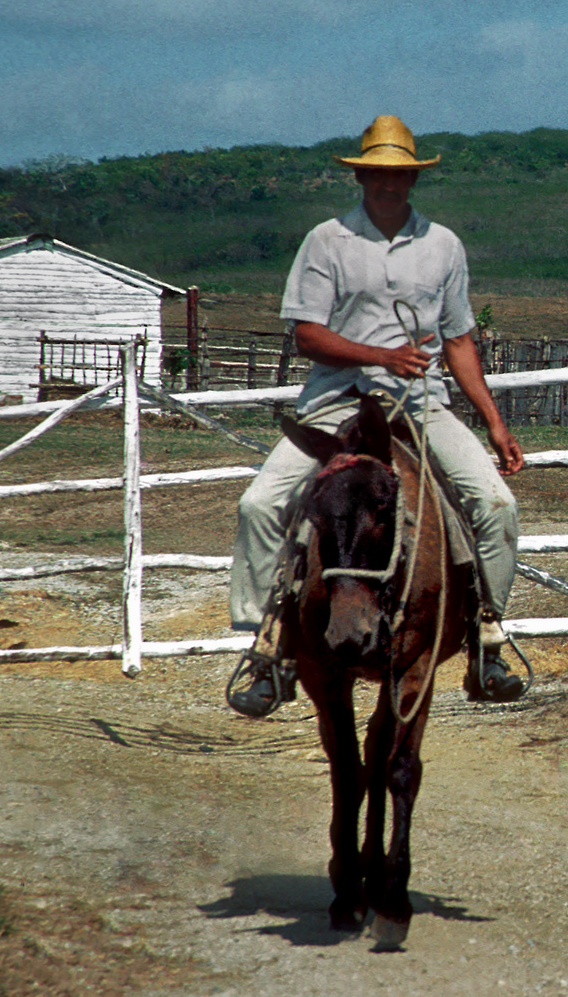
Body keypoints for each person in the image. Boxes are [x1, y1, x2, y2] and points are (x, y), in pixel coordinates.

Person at [226, 114, 526, 717]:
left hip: (420, 405)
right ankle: (264, 644)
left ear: (413, 179)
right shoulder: (326, 241)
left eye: (401, 176)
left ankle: (486, 635)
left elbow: (461, 340)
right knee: (259, 505)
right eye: (378, 175)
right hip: (337, 400)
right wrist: (380, 355)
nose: (390, 185)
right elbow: (307, 335)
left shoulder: (444, 246)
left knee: (496, 507)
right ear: (361, 176)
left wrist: (494, 422)